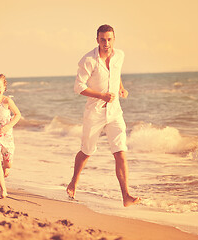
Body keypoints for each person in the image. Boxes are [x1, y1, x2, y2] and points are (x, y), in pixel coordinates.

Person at [66, 24, 140, 207]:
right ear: (97, 40)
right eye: (102, 40)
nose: (106, 43)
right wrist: (101, 95)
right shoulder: (88, 60)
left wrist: (121, 88)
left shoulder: (119, 55)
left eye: (109, 39)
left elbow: (116, 73)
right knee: (86, 151)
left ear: (114, 39)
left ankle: (126, 196)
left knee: (120, 152)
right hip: (95, 112)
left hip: (115, 111)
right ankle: (74, 181)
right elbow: (79, 87)